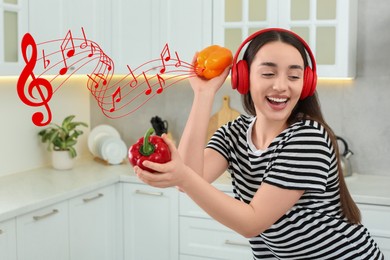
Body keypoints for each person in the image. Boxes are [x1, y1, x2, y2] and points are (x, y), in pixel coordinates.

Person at [134, 28, 384, 259]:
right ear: (244, 78)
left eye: (294, 76)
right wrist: (203, 94)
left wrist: (184, 177)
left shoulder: (308, 139)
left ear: (305, 83)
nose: (281, 86)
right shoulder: (234, 132)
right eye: (268, 73)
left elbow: (250, 223)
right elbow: (192, 177)